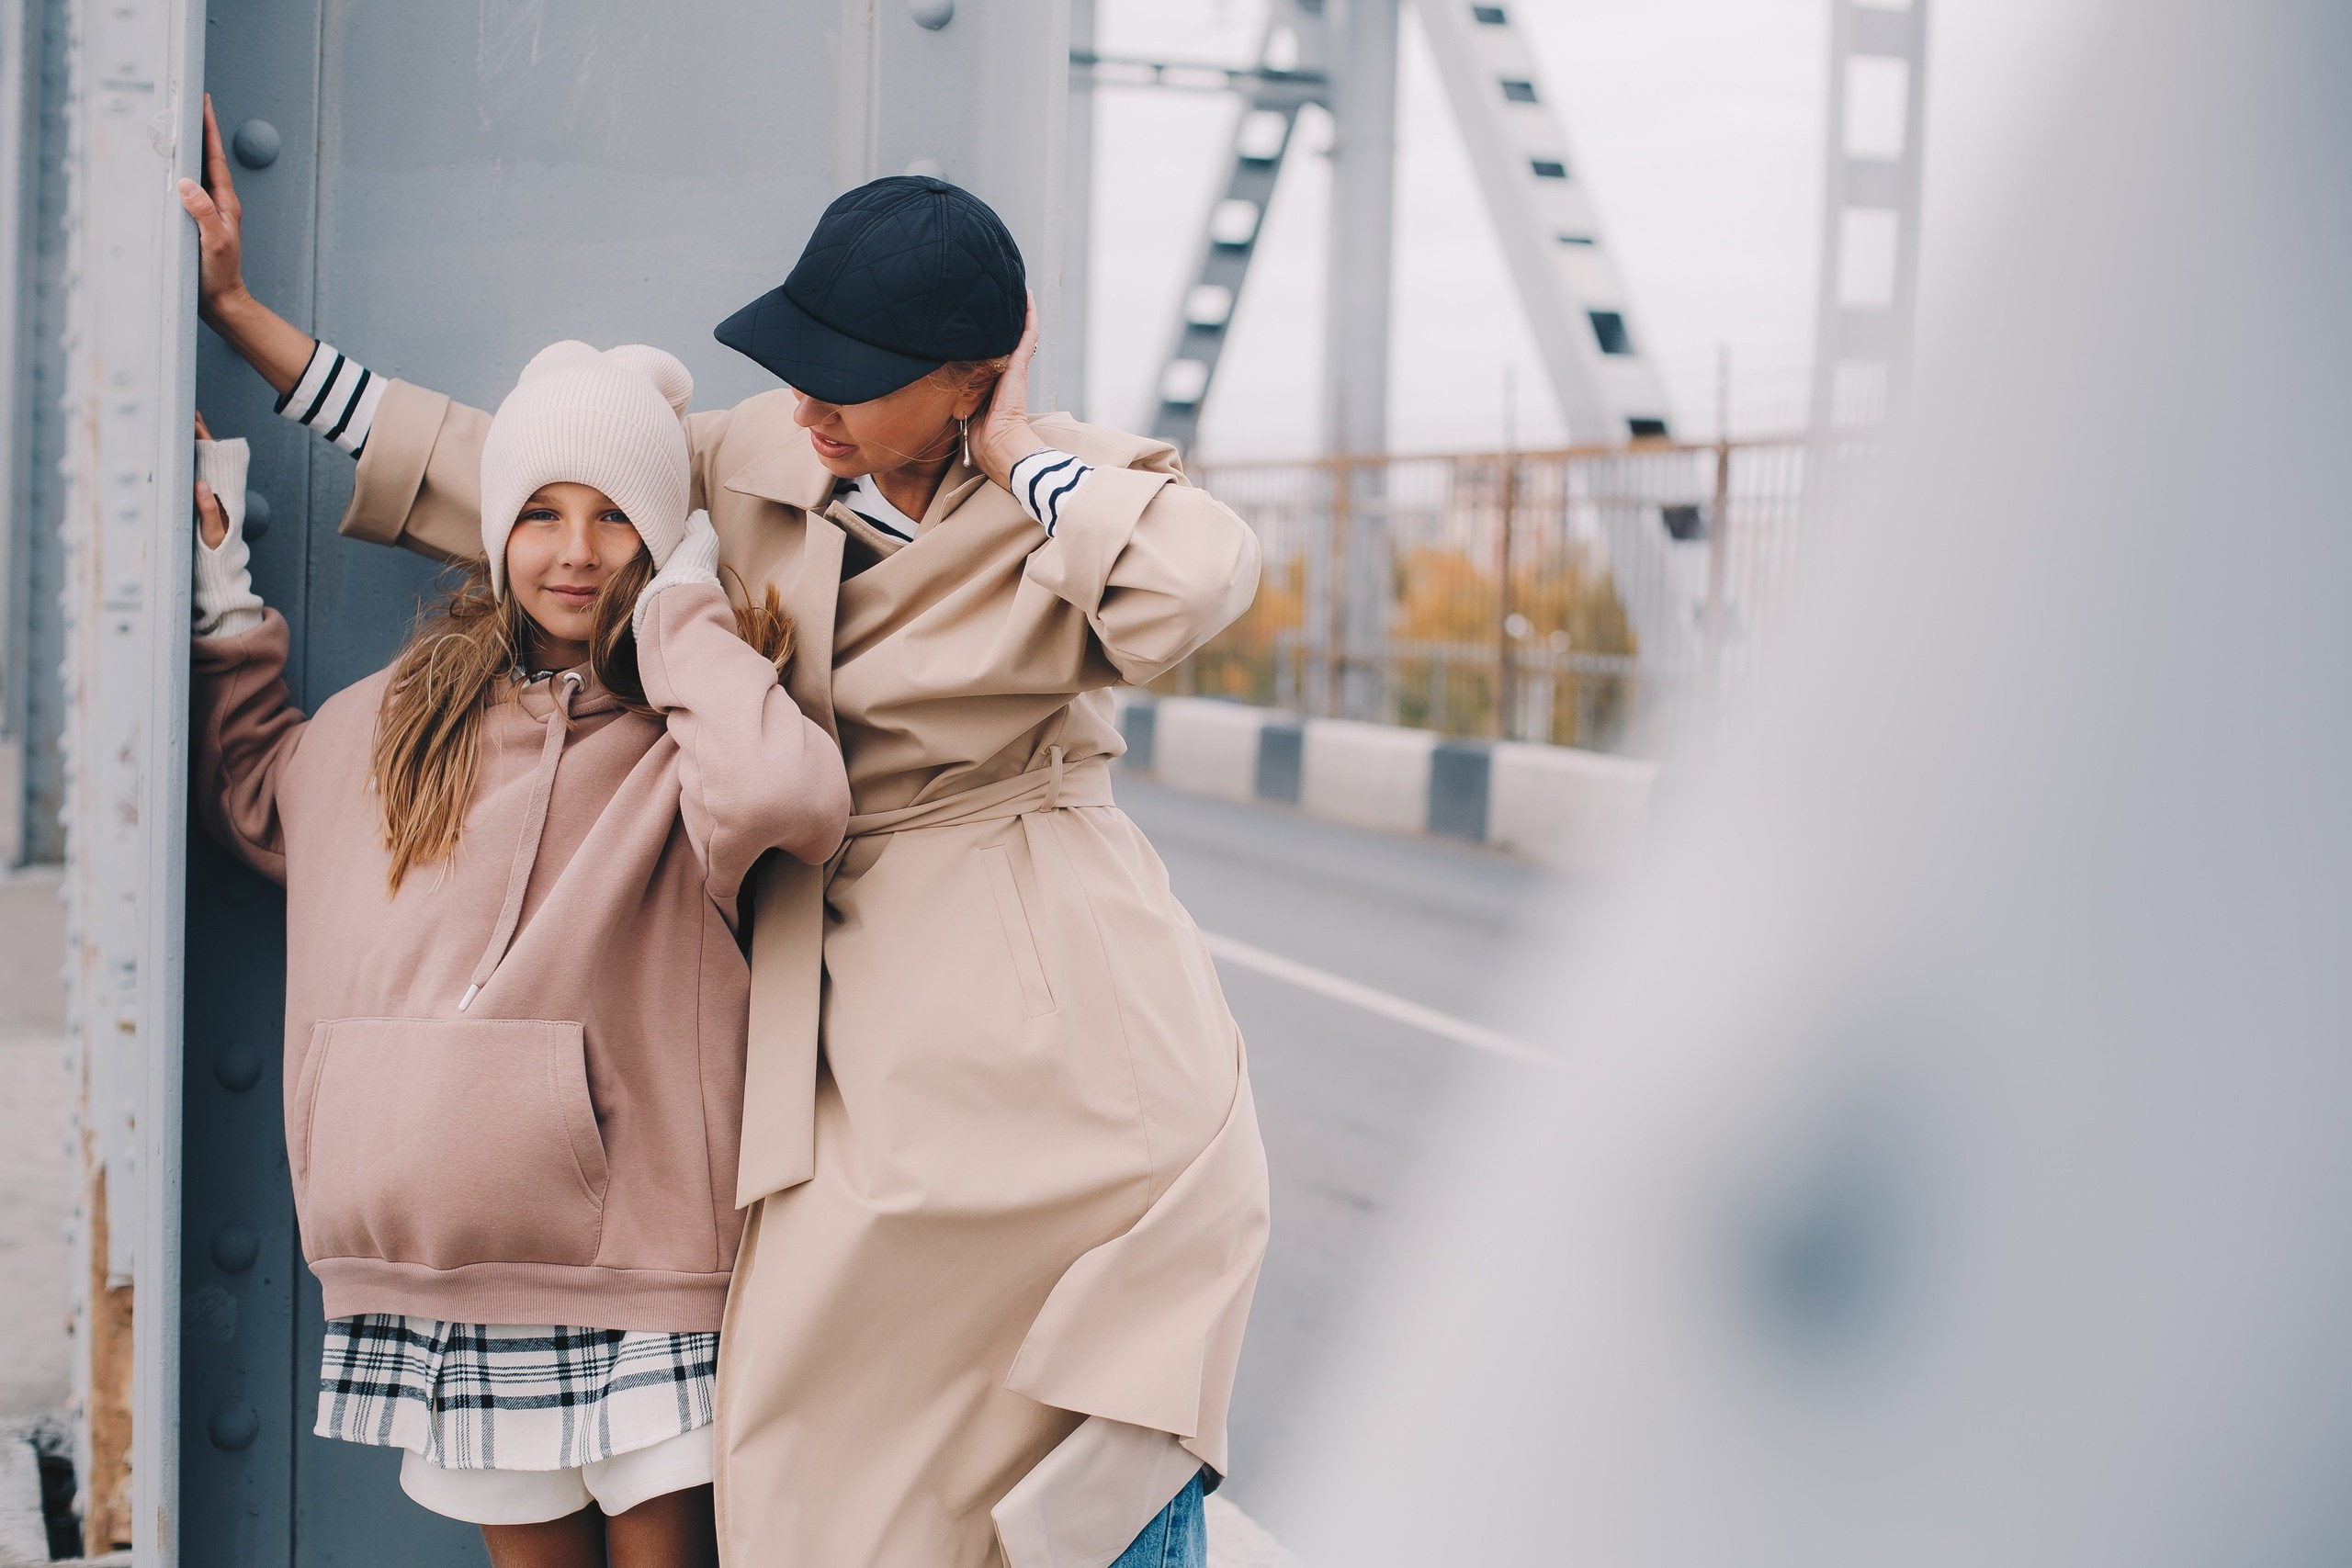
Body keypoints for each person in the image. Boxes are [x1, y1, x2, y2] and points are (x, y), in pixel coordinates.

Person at [183, 90, 1271, 1568]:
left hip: (1041, 988)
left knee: (1085, 1393)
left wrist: (1019, 452)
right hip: (833, 958)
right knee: (811, 1426)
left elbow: (1191, 584)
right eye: (798, 363)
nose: (810, 404)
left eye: (855, 379)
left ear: (967, 378)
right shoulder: (764, 452)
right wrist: (250, 323)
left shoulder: (1053, 498)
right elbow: (513, 472)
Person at [186, 338, 851, 1568]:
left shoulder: (685, 733)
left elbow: (791, 799)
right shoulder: (399, 719)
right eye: (541, 513)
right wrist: (221, 578)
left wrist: (687, 611)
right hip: (457, 1252)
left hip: (642, 1258)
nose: (578, 550)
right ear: (496, 533)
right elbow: (259, 797)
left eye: (616, 519)